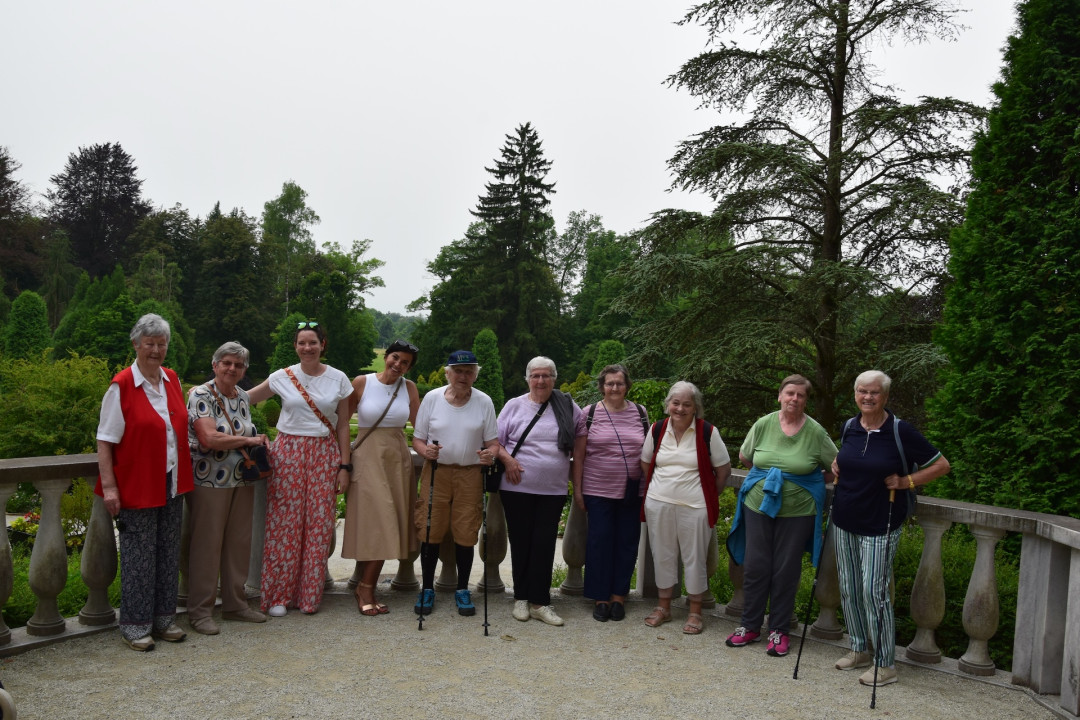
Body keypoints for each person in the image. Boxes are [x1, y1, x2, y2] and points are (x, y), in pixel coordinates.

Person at [831, 370, 950, 687]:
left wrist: (906, 481)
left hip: (881, 523)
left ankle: (885, 664)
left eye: (874, 392)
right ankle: (858, 649)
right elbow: (846, 459)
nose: (867, 397)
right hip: (845, 518)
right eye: (861, 391)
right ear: (854, 393)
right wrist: (836, 463)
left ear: (885, 396)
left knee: (874, 591)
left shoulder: (900, 431)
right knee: (850, 587)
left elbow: (941, 465)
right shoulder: (850, 427)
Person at [95, 313, 193, 651]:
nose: (155, 350)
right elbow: (105, 440)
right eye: (149, 343)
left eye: (161, 344)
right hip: (136, 484)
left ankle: (164, 619)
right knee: (138, 556)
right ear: (136, 345)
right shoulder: (121, 385)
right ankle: (135, 626)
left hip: (171, 481)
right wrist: (109, 487)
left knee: (167, 552)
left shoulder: (172, 380)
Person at [725, 374, 837, 656]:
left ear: (806, 400)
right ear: (780, 396)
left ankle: (778, 631)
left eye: (800, 395)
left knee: (786, 570)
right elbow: (746, 457)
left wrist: (807, 480)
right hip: (757, 506)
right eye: (789, 393)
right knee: (755, 565)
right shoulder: (764, 424)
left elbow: (835, 467)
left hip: (798, 511)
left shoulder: (816, 432)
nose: (794, 399)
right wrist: (771, 476)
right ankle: (749, 626)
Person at [247, 321, 353, 617]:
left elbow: (343, 424)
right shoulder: (282, 376)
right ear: (295, 347)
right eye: (302, 343)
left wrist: (344, 465)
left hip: (324, 454)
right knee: (284, 525)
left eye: (313, 342)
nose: (307, 348)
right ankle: (278, 594)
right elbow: (245, 399)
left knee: (318, 526)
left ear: (323, 345)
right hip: (288, 453)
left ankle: (309, 595)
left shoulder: (339, 379)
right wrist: (208, 392)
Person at [185, 341, 271, 635]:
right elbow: (209, 439)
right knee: (207, 546)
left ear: (245, 369)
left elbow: (244, 429)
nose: (232, 369)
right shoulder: (200, 394)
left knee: (238, 544)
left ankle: (235, 605)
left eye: (239, 365)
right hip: (209, 480)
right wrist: (249, 441)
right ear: (215, 365)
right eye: (227, 363)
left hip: (241, 478)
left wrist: (257, 439)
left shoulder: (242, 396)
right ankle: (200, 612)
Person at [497, 356, 584, 627]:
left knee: (544, 544)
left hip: (553, 490)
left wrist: (578, 481)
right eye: (535, 375)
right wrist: (509, 460)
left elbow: (581, 438)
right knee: (521, 542)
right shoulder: (514, 406)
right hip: (516, 486)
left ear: (554, 379)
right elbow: (494, 442)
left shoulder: (568, 406)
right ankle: (521, 598)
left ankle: (540, 602)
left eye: (546, 375)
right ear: (528, 379)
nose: (541, 380)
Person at [412, 350, 499, 617]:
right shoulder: (433, 398)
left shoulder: (484, 401)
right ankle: (427, 587)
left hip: (470, 474)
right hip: (436, 471)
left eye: (469, 371)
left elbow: (493, 444)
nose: (463, 376)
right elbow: (418, 439)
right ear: (448, 373)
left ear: (475, 374)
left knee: (465, 532)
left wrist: (489, 455)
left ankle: (462, 589)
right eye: (458, 371)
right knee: (430, 528)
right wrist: (425, 451)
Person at [639, 381, 731, 635]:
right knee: (662, 554)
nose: (680, 408)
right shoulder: (658, 429)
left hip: (695, 506)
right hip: (659, 504)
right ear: (668, 404)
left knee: (695, 558)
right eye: (675, 403)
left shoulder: (707, 432)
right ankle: (663, 607)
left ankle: (694, 612)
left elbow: (723, 471)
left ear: (695, 407)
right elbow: (646, 463)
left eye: (686, 404)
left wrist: (707, 495)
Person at [341, 339, 421, 615]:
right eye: (395, 358)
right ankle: (365, 587)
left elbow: (420, 427)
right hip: (367, 456)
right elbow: (341, 423)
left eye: (405, 363)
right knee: (379, 520)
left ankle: (364, 584)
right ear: (386, 356)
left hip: (397, 459)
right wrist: (343, 461)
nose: (398, 365)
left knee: (389, 521)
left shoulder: (409, 388)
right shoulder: (362, 382)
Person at [572, 364, 648, 622]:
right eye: (609, 383)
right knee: (599, 542)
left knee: (627, 543)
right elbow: (579, 456)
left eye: (619, 383)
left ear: (627, 385)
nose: (614, 388)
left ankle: (618, 596)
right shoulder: (589, 413)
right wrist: (578, 491)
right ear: (601, 386)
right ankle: (600, 597)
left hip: (632, 490)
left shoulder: (640, 412)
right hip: (597, 489)